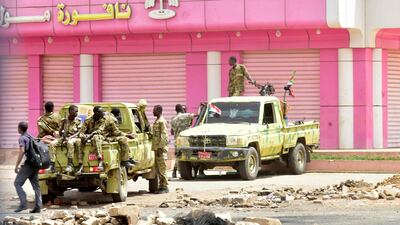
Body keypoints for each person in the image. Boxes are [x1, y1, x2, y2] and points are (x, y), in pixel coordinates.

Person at [14, 121, 42, 213]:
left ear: (20, 129)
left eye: (18, 127)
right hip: (36, 163)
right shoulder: (29, 136)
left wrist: (17, 165)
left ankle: (23, 205)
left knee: (17, 183)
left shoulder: (22, 138)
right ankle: (38, 207)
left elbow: (22, 151)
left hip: (29, 164)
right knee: (36, 186)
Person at [48, 105, 82, 174]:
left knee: (69, 142)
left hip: (74, 137)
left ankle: (70, 164)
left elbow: (79, 132)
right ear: (70, 111)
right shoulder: (64, 120)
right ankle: (52, 164)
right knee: (52, 144)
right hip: (64, 137)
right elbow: (60, 133)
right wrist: (63, 124)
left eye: (77, 111)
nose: (77, 113)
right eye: (75, 111)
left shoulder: (78, 121)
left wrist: (70, 138)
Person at [170, 104, 195, 178]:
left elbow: (172, 131)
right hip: (185, 140)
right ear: (181, 110)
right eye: (183, 109)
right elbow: (195, 115)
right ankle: (180, 172)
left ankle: (175, 172)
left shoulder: (173, 119)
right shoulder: (185, 116)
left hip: (177, 140)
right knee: (185, 155)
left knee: (179, 155)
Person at [79, 106, 107, 171]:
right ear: (96, 113)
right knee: (79, 140)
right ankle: (80, 163)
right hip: (88, 136)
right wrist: (83, 136)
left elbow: (99, 131)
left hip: (101, 136)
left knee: (95, 137)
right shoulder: (88, 120)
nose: (103, 113)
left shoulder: (103, 120)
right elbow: (82, 131)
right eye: (101, 112)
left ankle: (100, 160)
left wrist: (88, 137)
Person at [152, 105, 169, 194]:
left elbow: (164, 136)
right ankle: (161, 186)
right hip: (156, 149)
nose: (152, 112)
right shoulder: (157, 121)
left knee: (162, 168)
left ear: (158, 111)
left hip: (160, 150)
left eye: (154, 110)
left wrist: (159, 148)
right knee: (158, 169)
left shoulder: (162, 121)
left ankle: (165, 187)